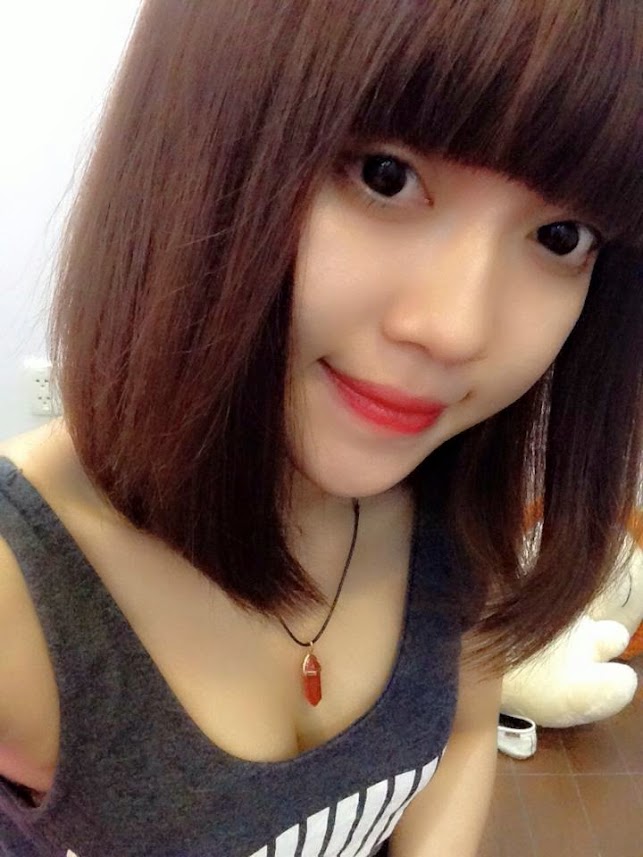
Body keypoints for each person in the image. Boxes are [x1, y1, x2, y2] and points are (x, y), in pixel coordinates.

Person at [0, 1, 641, 855]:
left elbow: (460, 732)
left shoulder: (454, 508)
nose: (457, 330)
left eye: (559, 236)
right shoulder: (21, 584)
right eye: (385, 176)